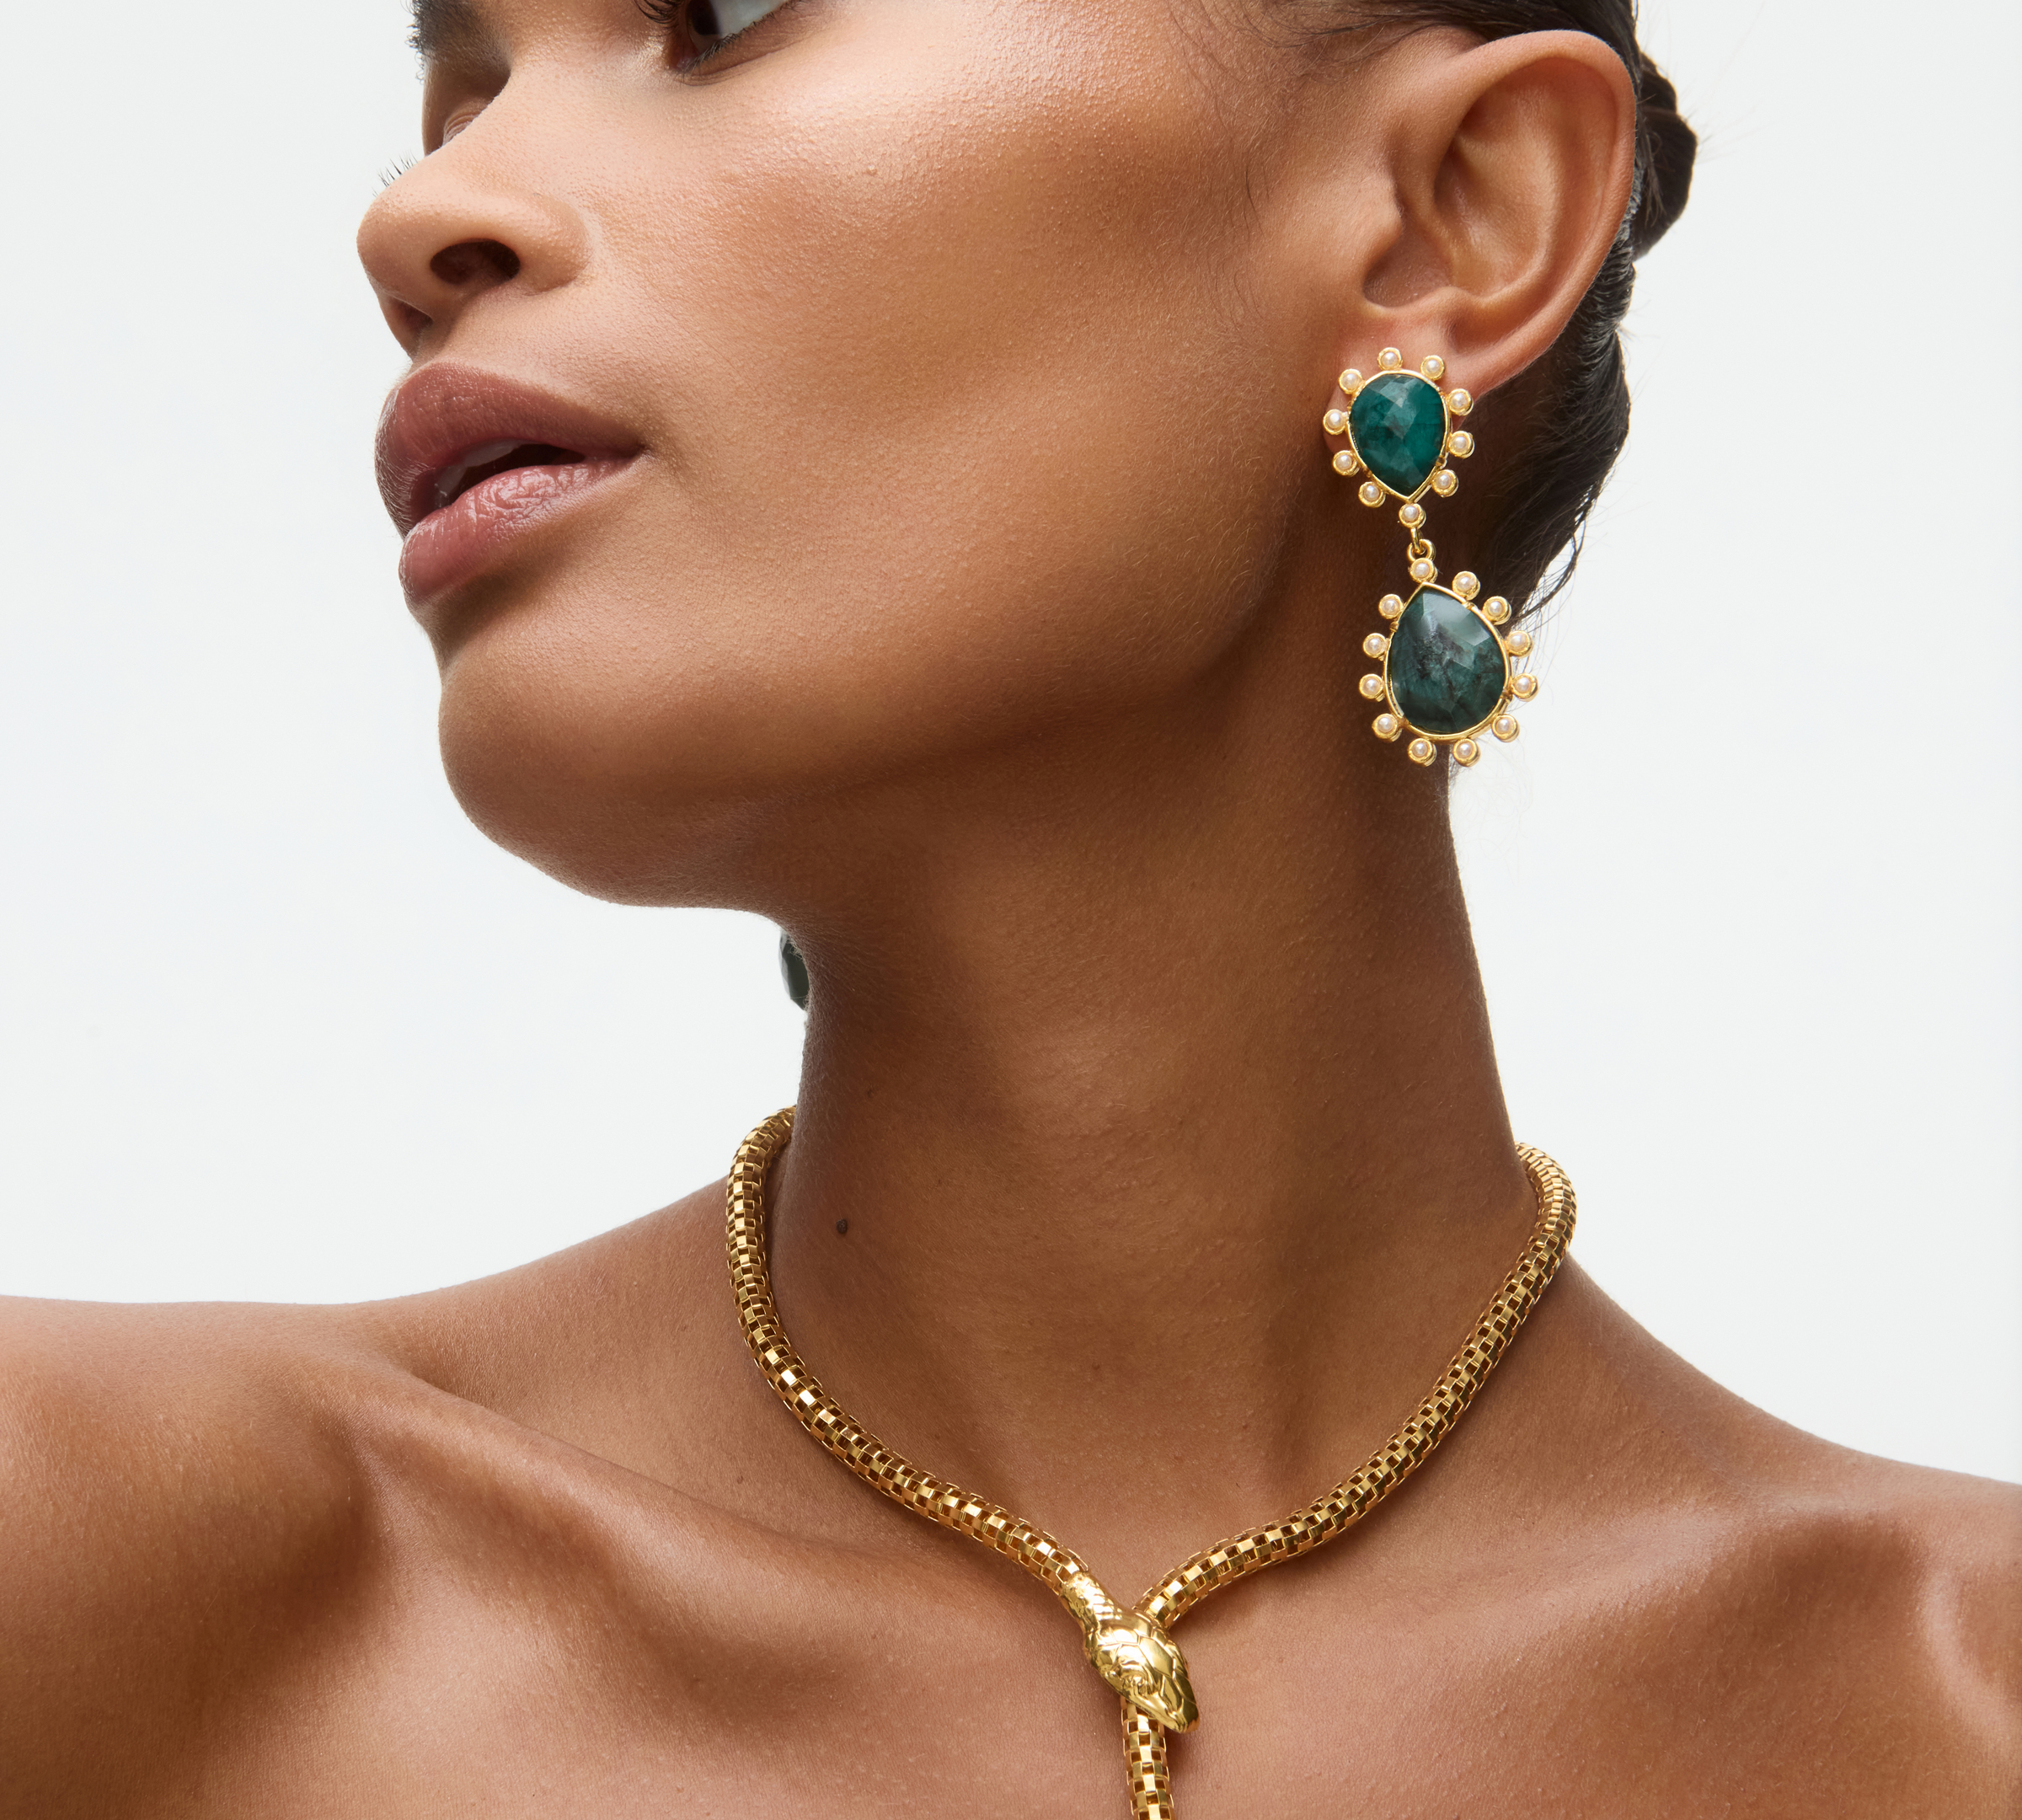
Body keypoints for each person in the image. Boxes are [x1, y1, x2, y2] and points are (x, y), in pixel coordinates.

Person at [3, 1, 2016, 1812]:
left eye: (716, 20)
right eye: (459, 92)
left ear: (1447, 221)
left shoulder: (1967, 1710)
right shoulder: (88, 1561)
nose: (426, 215)